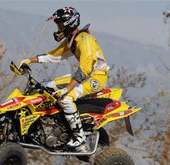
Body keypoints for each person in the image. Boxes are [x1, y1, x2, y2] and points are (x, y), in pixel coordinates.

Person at [18, 6, 109, 151]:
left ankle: (78, 136)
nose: (58, 28)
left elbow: (85, 68)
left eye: (60, 24)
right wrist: (28, 61)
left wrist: (67, 88)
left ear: (69, 23)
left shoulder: (84, 40)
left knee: (65, 98)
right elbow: (53, 56)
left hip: (95, 78)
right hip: (83, 75)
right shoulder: (72, 40)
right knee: (46, 87)